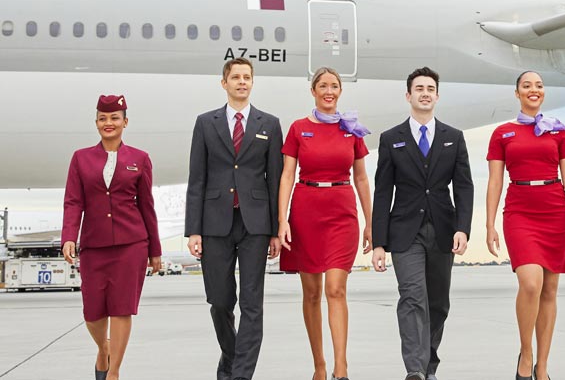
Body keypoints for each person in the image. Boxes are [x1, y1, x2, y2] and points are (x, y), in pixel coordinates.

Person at [485, 71, 565, 380]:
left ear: (543, 93)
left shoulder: (559, 132)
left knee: (549, 290)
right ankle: (526, 351)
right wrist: (489, 224)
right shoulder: (502, 133)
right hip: (519, 210)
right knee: (530, 283)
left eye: (539, 86)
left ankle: (542, 367)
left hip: (555, 210)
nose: (534, 90)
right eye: (527, 86)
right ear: (516, 93)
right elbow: (494, 181)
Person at [371, 67, 474, 380]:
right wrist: (378, 242)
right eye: (419, 88)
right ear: (408, 95)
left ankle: (429, 363)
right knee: (413, 296)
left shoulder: (453, 138)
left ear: (437, 96)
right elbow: (382, 190)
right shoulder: (391, 139)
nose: (425, 93)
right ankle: (415, 369)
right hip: (404, 232)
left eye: (430, 88)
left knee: (438, 303)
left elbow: (464, 186)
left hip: (443, 230)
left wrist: (463, 228)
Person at [185, 58, 284, 380]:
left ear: (252, 82)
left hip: (255, 224)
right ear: (224, 82)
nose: (242, 82)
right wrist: (193, 230)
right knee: (220, 300)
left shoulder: (269, 124)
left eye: (247, 77)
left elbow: (274, 179)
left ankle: (241, 374)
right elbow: (196, 178)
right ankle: (230, 357)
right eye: (236, 77)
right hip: (215, 223)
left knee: (252, 303)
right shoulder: (205, 123)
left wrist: (275, 229)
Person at [277, 67, 373, 380]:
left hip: (342, 212)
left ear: (340, 91)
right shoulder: (298, 128)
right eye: (323, 85)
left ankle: (341, 367)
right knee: (312, 293)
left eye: (334, 86)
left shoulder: (351, 130)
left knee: (336, 288)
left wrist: (371, 222)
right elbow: (287, 175)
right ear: (313, 91)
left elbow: (361, 177)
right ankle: (319, 365)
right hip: (305, 212)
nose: (328, 91)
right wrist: (282, 221)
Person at [62, 95, 162, 380]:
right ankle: (103, 349)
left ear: (125, 122)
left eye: (115, 118)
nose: (109, 123)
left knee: (121, 308)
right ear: (96, 123)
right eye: (104, 118)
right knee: (92, 312)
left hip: (132, 244)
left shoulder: (140, 159)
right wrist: (69, 235)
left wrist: (154, 250)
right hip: (94, 244)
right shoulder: (80, 158)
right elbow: (73, 201)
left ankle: (114, 371)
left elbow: (146, 205)